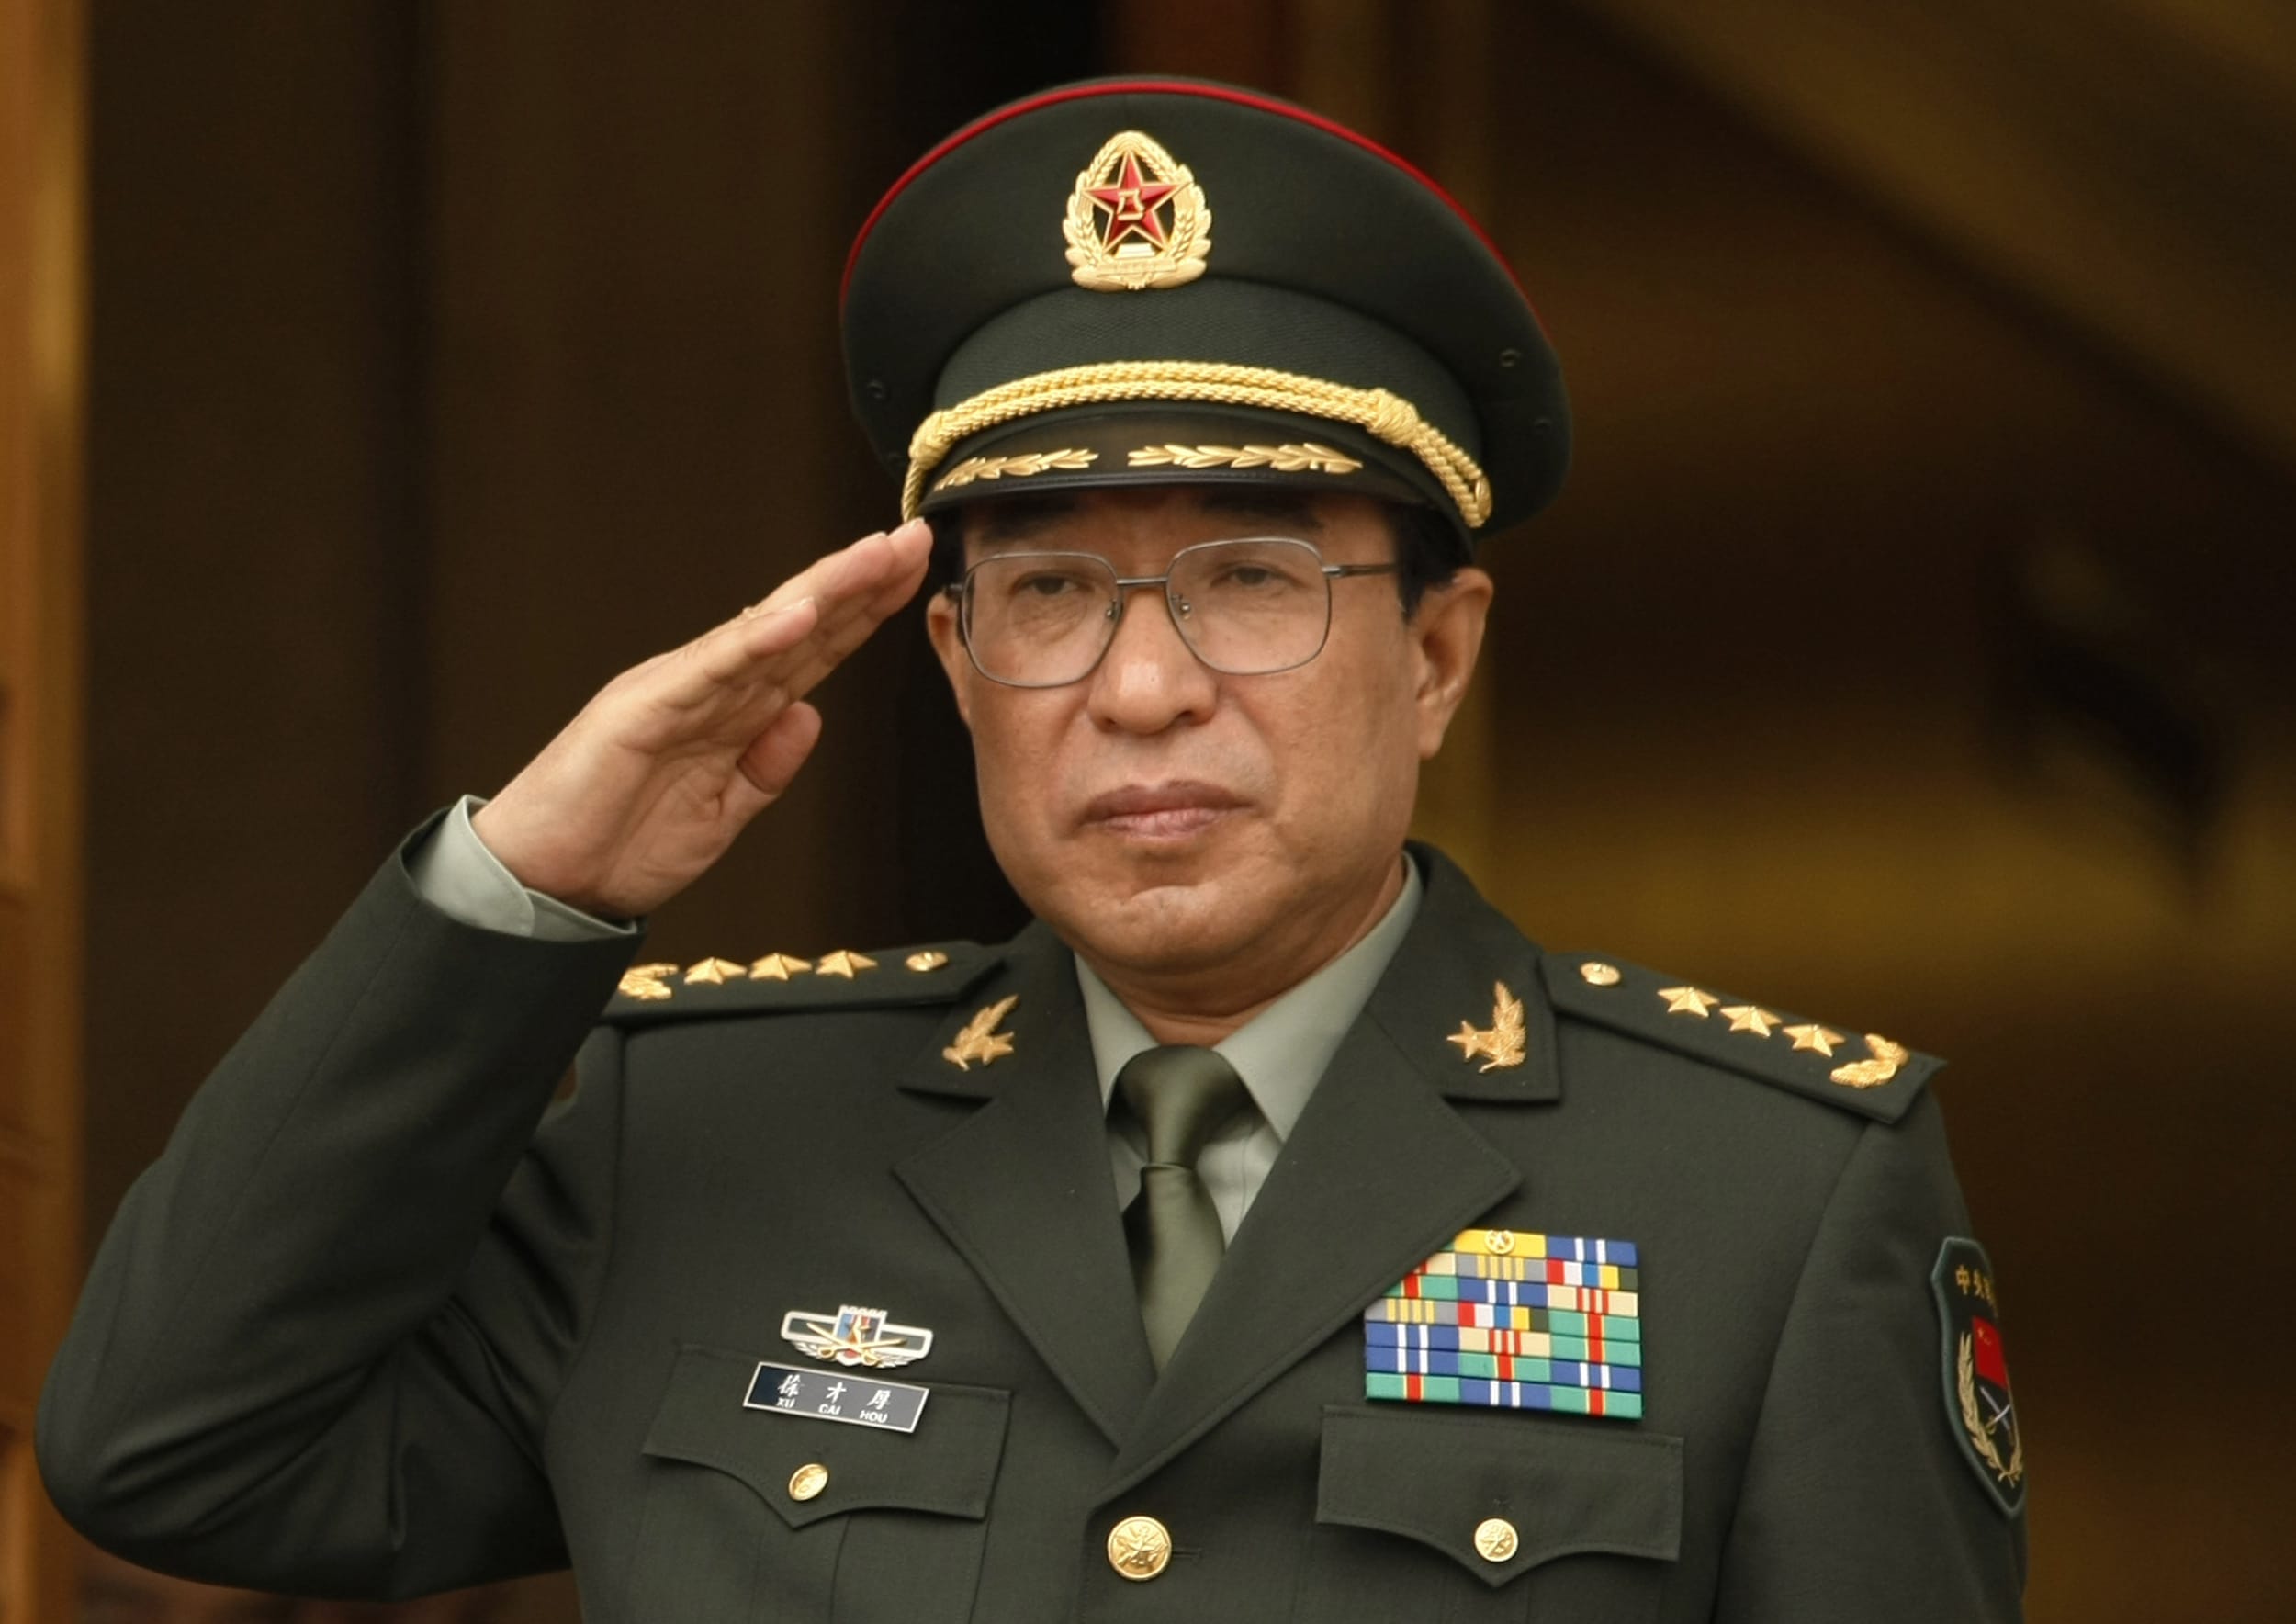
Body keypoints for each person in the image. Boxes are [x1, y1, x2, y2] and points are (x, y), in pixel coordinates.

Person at [40, 78, 2026, 1619]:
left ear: (1434, 654)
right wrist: (518, 892)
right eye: (1053, 589)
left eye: (1248, 581)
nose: (1142, 687)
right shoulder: (707, 1131)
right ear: (953, 655)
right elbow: (173, 1448)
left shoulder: (1763, 1193)